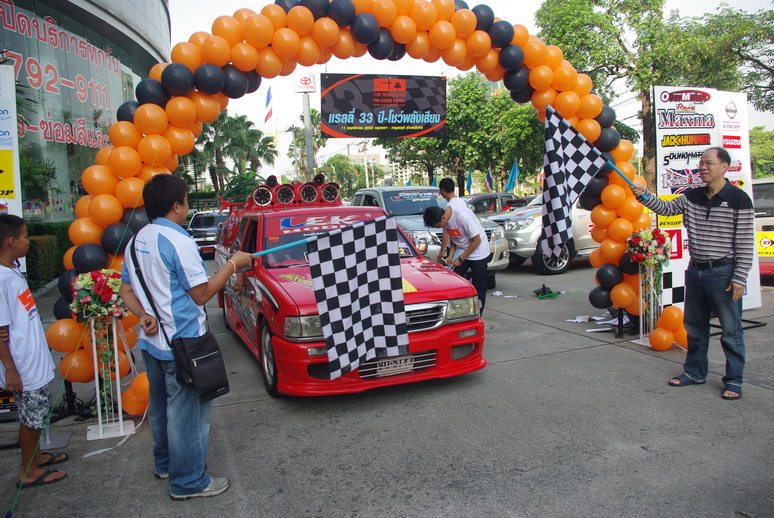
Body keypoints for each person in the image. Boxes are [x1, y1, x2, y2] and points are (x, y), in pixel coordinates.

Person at [120, 175, 253, 500]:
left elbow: (126, 290)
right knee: (186, 416)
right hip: (184, 345)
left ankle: (165, 464)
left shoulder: (136, 240)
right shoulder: (179, 242)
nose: (187, 206)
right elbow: (201, 294)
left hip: (152, 344)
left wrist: (144, 314)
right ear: (177, 205)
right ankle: (188, 481)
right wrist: (233, 264)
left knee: (161, 409)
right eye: (186, 200)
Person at [630, 147, 755, 400]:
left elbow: (744, 242)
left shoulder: (739, 199)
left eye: (709, 163)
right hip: (696, 270)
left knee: (731, 331)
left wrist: (739, 277)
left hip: (724, 274)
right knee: (695, 328)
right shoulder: (691, 196)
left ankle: (734, 380)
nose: (703, 168)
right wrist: (643, 195)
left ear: (724, 167)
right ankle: (695, 372)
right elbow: (665, 208)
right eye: (700, 164)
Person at [0, 214, 69, 488]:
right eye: (26, 236)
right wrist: (10, 369)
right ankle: (27, 472)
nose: (29, 242)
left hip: (32, 360)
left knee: (38, 415)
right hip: (22, 366)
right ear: (11, 241)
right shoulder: (1, 278)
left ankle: (36, 456)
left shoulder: (12, 269)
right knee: (32, 419)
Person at [423, 177, 490, 314]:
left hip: (479, 251)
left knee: (479, 286)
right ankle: (458, 311)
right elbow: (454, 236)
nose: (441, 227)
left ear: (442, 218)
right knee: (453, 279)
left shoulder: (461, 216)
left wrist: (461, 258)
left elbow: (476, 240)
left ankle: (478, 314)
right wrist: (450, 256)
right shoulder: (445, 218)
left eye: (439, 225)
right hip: (465, 250)